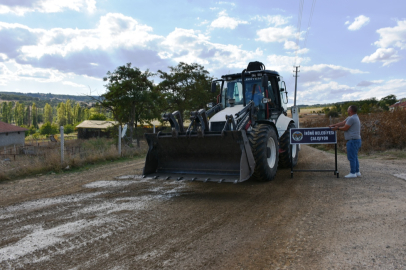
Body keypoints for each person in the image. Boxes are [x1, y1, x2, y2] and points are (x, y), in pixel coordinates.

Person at [330, 105, 362, 178]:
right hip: (356, 140)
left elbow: (345, 128)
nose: (347, 110)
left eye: (348, 109)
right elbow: (343, 123)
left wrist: (337, 128)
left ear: (350, 111)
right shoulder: (352, 117)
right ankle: (357, 172)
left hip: (352, 141)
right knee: (355, 156)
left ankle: (352, 173)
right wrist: (333, 125)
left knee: (351, 157)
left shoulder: (352, 118)